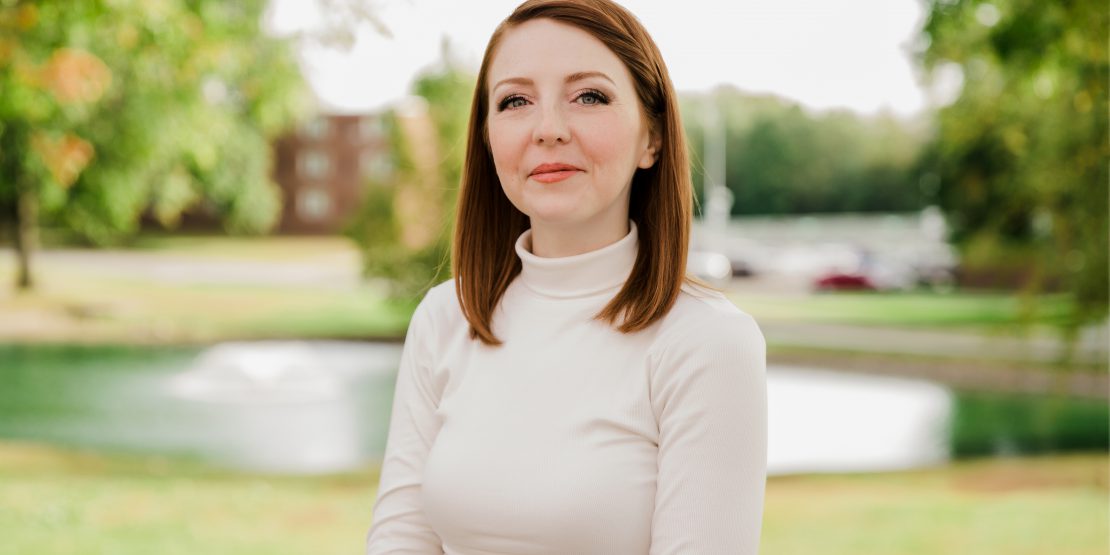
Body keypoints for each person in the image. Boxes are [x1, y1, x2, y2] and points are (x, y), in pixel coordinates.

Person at [365, 0, 767, 553]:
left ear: (651, 137)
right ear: (487, 137)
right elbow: (401, 536)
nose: (547, 129)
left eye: (589, 96)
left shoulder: (708, 342)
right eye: (515, 101)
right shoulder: (444, 317)